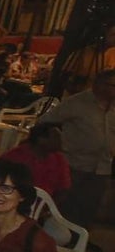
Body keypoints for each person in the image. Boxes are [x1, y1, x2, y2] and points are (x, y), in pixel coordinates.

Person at [40, 69, 115, 230]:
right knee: (66, 203)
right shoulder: (77, 103)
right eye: (112, 85)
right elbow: (45, 121)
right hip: (74, 162)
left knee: (89, 205)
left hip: (102, 166)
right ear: (99, 85)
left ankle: (80, 238)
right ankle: (56, 238)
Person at [1, 123, 71, 203]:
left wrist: (48, 207)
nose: (61, 140)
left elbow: (63, 189)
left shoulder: (59, 159)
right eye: (56, 137)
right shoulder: (14, 157)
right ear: (41, 140)